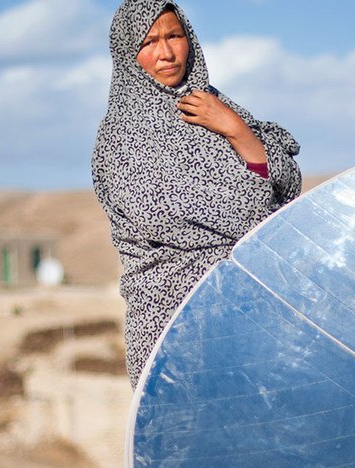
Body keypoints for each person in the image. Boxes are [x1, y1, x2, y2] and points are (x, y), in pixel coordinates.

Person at [92, 0, 302, 387]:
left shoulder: (215, 106)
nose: (167, 53)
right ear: (127, 52)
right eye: (149, 41)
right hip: (177, 331)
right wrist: (245, 142)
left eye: (175, 36)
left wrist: (236, 128)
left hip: (251, 314)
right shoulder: (121, 139)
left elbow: (289, 182)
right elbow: (208, 218)